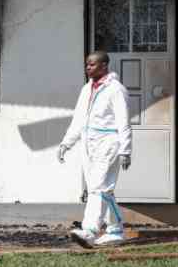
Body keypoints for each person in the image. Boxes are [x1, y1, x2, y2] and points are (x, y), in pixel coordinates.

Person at [57, 51, 132, 247]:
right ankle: (115, 230)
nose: (88, 68)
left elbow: (124, 121)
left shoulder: (116, 89)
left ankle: (89, 230)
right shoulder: (87, 89)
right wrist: (67, 142)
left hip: (109, 143)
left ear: (104, 65)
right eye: (87, 65)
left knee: (99, 187)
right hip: (89, 143)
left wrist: (125, 149)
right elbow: (78, 119)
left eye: (92, 65)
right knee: (100, 189)